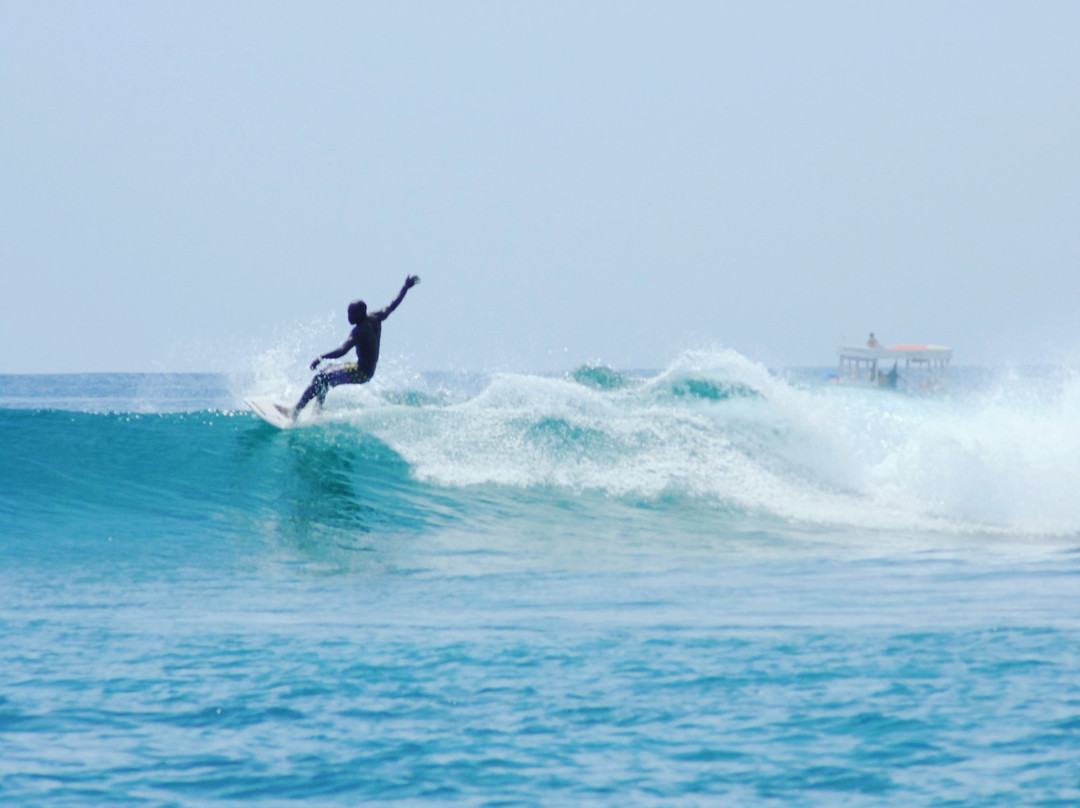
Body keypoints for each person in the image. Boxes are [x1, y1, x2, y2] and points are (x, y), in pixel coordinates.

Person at [283, 275, 420, 419]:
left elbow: (342, 350)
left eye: (352, 314)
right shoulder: (375, 317)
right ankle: (317, 410)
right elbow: (393, 305)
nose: (349, 316)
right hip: (365, 370)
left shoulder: (359, 331)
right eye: (348, 313)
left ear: (361, 313)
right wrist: (405, 287)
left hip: (361, 372)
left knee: (321, 377)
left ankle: (295, 412)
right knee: (326, 373)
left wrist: (321, 356)